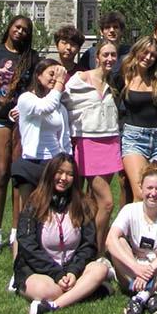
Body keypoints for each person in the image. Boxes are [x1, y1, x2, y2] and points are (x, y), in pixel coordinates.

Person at [12, 154, 112, 314]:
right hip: (40, 271)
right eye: (60, 172)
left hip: (72, 269)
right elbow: (27, 246)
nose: (64, 178)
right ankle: (86, 291)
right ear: (50, 173)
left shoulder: (83, 204)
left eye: (70, 174)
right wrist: (56, 274)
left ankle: (52, 306)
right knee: (46, 290)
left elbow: (88, 245)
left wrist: (73, 271)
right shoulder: (34, 203)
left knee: (100, 269)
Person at [0, 14, 40, 255]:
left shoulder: (31, 58)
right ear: (9, 28)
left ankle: (16, 230)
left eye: (25, 30)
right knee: (2, 171)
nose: (21, 32)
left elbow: (34, 87)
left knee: (19, 173)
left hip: (22, 120)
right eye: (17, 27)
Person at [64, 39, 122, 254]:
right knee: (107, 202)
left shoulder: (113, 82)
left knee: (95, 202)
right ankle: (95, 251)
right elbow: (60, 100)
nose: (109, 59)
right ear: (97, 57)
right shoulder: (80, 78)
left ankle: (85, 244)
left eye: (113, 55)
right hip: (87, 141)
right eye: (105, 54)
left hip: (110, 141)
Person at [106, 165, 157, 314]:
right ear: (141, 188)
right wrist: (136, 268)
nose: (153, 193)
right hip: (133, 273)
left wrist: (150, 269)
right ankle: (150, 298)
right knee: (119, 242)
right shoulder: (130, 210)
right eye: (149, 188)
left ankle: (140, 297)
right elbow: (110, 240)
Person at [10, 59, 72, 256]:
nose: (55, 79)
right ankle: (20, 263)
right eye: (50, 74)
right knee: (28, 215)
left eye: (57, 74)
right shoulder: (26, 99)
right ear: (38, 76)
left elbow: (65, 136)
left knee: (52, 215)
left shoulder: (59, 107)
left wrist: (67, 161)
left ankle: (48, 255)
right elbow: (44, 106)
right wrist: (61, 84)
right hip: (31, 162)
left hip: (53, 163)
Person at [118, 37, 157, 201]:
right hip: (134, 139)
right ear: (137, 51)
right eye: (145, 52)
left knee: (155, 194)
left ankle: (153, 227)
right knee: (141, 194)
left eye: (153, 55)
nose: (148, 58)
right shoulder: (123, 76)